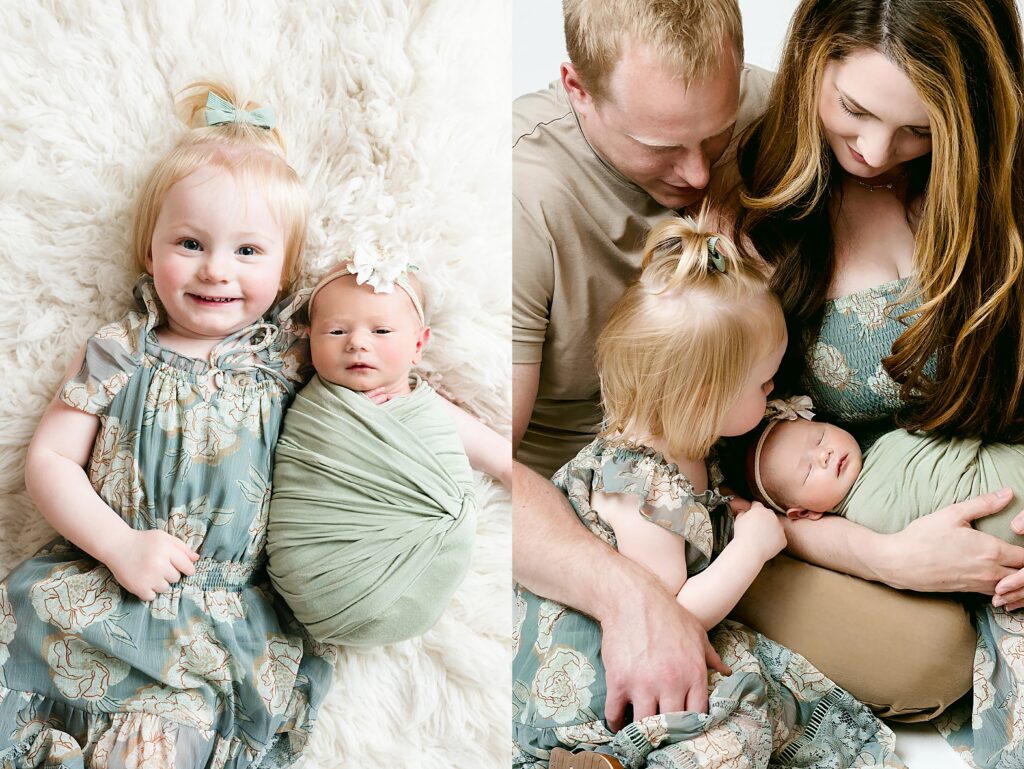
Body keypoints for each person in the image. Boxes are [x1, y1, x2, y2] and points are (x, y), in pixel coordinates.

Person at [0, 82, 334, 767]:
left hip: (215, 625)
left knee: (160, 744)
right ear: (149, 251)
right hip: (97, 588)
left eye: (248, 251)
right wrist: (119, 543)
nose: (215, 269)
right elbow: (51, 461)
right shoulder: (119, 348)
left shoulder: (292, 360)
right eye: (190, 242)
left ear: (286, 269)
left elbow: (381, 378)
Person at [735, 0, 1024, 761]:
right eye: (855, 110)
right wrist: (879, 555)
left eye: (919, 130)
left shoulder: (997, 192)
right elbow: (708, 482)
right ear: (811, 61)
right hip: (839, 525)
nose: (873, 148)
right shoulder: (757, 208)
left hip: (991, 489)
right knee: (931, 657)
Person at [513, 215, 903, 769]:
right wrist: (752, 546)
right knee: (737, 733)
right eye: (764, 382)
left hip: (646, 636)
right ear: (704, 400)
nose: (773, 391)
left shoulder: (688, 441)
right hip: (604, 675)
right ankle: (603, 757)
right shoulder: (642, 488)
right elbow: (675, 616)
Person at [513, 0, 773, 727]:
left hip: (729, 489)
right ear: (576, 89)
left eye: (714, 133)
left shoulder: (770, 113)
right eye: (658, 144)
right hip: (587, 531)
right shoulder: (521, 194)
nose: (696, 173)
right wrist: (630, 597)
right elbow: (482, 471)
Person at [266, 258, 511, 646]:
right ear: (309, 340)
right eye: (336, 330)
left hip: (422, 562)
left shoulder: (429, 409)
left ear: (418, 345)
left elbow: (499, 460)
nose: (357, 342)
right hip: (317, 576)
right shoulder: (309, 408)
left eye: (381, 330)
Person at [747, 397, 1024, 550]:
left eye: (819, 438)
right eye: (807, 471)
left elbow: (959, 430)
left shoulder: (888, 443)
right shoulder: (868, 519)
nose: (824, 455)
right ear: (805, 513)